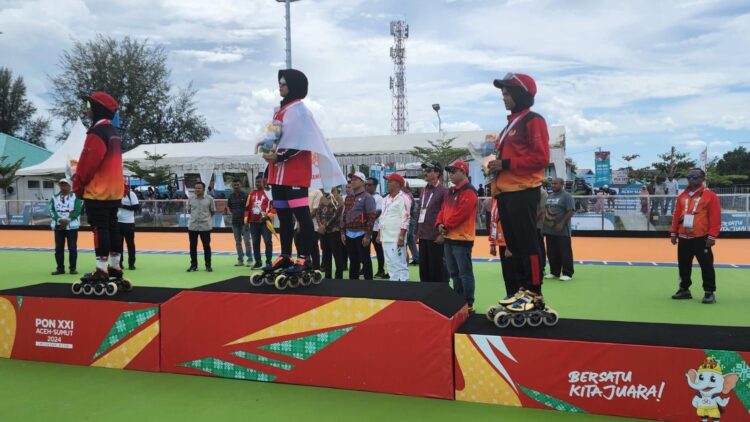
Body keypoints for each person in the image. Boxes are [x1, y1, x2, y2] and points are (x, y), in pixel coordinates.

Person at [262, 68, 346, 276]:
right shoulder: (279, 110)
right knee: (283, 215)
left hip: (295, 171)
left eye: (283, 82)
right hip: (277, 172)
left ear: (294, 86)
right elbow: (272, 138)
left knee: (302, 215)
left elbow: (306, 140)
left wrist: (280, 156)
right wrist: (266, 154)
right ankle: (285, 255)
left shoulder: (300, 110)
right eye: (279, 82)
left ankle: (303, 258)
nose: (279, 86)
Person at [487, 72, 550, 313]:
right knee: (514, 245)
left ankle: (535, 292)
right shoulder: (509, 125)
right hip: (505, 192)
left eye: (508, 92)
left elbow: (541, 157)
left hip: (524, 190)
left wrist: (505, 164)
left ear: (521, 94)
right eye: (503, 92)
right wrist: (494, 164)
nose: (504, 97)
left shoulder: (533, 120)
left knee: (528, 244)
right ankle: (523, 289)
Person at [72, 91, 125, 283]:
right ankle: (115, 265)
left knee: (99, 228)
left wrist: (77, 187)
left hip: (98, 192)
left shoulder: (97, 133)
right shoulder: (114, 134)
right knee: (113, 227)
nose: (86, 109)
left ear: (97, 109)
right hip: (114, 191)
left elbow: (87, 165)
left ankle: (101, 269)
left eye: (88, 106)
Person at [670, 169, 721, 304]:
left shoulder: (710, 196)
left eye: (694, 177)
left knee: (706, 265)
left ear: (702, 179)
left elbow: (715, 217)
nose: (691, 179)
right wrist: (674, 232)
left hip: (701, 237)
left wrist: (712, 236)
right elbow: (676, 215)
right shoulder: (682, 196)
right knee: (683, 265)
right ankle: (684, 289)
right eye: (689, 176)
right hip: (683, 237)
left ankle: (709, 292)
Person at [437, 160, 478, 312]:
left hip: (462, 238)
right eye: (450, 171)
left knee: (464, 273)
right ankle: (459, 301)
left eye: (454, 171)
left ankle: (468, 303)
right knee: (454, 273)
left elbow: (462, 213)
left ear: (463, 171)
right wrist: (439, 224)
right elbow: (442, 210)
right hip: (449, 237)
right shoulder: (451, 191)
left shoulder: (469, 191)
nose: (451, 174)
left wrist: (444, 226)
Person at [416, 161, 448, 283]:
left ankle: (440, 296)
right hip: (423, 235)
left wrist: (442, 235)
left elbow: (446, 213)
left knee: (437, 270)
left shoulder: (444, 191)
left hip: (436, 235)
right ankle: (425, 297)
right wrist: (417, 232)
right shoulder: (424, 190)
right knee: (424, 270)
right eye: (425, 170)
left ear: (437, 173)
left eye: (429, 170)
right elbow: (420, 211)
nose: (426, 173)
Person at [341, 171, 377, 280]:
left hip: (362, 233)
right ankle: (353, 284)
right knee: (353, 260)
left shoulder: (367, 197)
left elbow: (371, 217)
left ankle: (368, 284)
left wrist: (367, 235)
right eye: (352, 180)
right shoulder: (348, 197)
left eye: (355, 180)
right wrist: (342, 232)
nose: (353, 182)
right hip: (349, 233)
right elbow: (345, 215)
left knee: (365, 259)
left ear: (362, 182)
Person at [378, 173, 411, 282]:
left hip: (396, 237)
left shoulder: (404, 198)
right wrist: (379, 233)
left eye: (390, 181)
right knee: (390, 263)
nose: (388, 183)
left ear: (397, 184)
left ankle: (403, 286)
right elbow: (382, 217)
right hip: (386, 236)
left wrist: (401, 237)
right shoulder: (385, 199)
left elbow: (405, 218)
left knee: (399, 264)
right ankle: (394, 285)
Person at [542, 178, 575, 281]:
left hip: (562, 230)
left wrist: (561, 223)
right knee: (552, 252)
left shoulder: (567, 196)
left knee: (565, 252)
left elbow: (571, 211)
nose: (553, 185)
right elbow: (546, 210)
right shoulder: (550, 196)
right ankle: (554, 272)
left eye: (555, 183)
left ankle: (567, 273)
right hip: (549, 230)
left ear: (562, 184)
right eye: (552, 183)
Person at [49, 178, 82, 275]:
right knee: (58, 248)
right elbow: (51, 210)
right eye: (61, 185)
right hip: (58, 226)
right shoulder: (54, 197)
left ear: (69, 186)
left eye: (65, 184)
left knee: (72, 247)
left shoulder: (76, 197)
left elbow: (78, 210)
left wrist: (68, 220)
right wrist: (59, 220)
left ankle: (72, 268)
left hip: (71, 227)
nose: (63, 187)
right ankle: (60, 268)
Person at [489, 199, 518, 297]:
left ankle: (517, 296)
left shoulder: (510, 199)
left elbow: (514, 222)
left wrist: (510, 246)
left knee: (513, 271)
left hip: (511, 243)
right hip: (501, 241)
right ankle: (510, 294)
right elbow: (493, 222)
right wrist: (492, 243)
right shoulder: (494, 200)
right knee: (506, 271)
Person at [245, 175, 275, 268]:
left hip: (265, 222)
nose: (257, 183)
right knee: (255, 242)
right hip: (253, 223)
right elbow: (247, 208)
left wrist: (268, 216)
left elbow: (275, 207)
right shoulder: (251, 194)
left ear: (264, 182)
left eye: (260, 182)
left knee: (268, 242)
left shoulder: (269, 193)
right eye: (256, 182)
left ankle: (268, 262)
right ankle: (258, 262)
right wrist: (246, 221)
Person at [316, 187, 346, 279]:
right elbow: (318, 212)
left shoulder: (338, 198)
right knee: (326, 255)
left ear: (335, 186)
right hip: (324, 232)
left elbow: (337, 214)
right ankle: (328, 276)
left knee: (337, 255)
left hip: (334, 231)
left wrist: (325, 225)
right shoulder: (322, 198)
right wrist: (320, 224)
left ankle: (338, 277)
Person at [186, 181, 215, 272]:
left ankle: (208, 266)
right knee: (192, 246)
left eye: (199, 188)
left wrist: (206, 218)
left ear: (203, 189)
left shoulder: (209, 199)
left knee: (206, 246)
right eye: (196, 188)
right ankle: (193, 265)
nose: (197, 190)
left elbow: (213, 211)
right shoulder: (190, 199)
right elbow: (189, 210)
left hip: (205, 226)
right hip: (193, 226)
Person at [365, 177, 387, 278]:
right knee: (365, 250)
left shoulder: (379, 198)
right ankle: (364, 269)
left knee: (378, 250)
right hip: (365, 228)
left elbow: (377, 213)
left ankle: (380, 270)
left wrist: (365, 219)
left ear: (375, 186)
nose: (367, 187)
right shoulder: (364, 196)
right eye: (366, 184)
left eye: (369, 185)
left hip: (375, 228)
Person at [228, 179, 252, 266]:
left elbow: (249, 208)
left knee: (247, 241)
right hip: (235, 222)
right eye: (234, 185)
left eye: (237, 185)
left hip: (244, 222)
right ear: (232, 186)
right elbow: (230, 208)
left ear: (240, 185)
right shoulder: (230, 196)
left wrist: (247, 220)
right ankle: (240, 260)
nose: (236, 186)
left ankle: (250, 259)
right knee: (238, 242)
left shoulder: (246, 195)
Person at [117, 183, 140, 270]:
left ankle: (131, 263)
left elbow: (136, 207)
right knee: (118, 245)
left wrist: (123, 206)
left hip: (129, 223)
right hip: (118, 222)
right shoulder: (116, 194)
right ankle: (119, 263)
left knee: (130, 244)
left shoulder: (131, 194)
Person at [403, 182, 420, 265]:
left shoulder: (407, 196)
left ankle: (405, 260)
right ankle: (416, 258)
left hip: (408, 222)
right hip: (412, 221)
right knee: (411, 241)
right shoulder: (409, 195)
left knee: (405, 241)